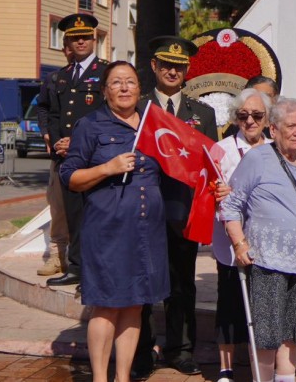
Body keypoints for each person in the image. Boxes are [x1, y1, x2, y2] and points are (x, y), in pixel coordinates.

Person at [58, 61, 168, 382]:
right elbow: (71, 177)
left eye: (130, 82)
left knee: (134, 305)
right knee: (106, 305)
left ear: (139, 89)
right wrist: (108, 167)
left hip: (147, 231)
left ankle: (122, 376)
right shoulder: (90, 125)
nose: (124, 88)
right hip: (107, 231)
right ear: (105, 91)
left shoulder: (152, 123)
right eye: (117, 83)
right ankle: (100, 378)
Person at [132, 36, 218, 380]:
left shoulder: (203, 114)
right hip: (143, 211)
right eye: (166, 64)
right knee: (143, 284)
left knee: (182, 284)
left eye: (179, 66)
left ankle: (180, 350)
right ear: (154, 66)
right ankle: (142, 351)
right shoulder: (138, 109)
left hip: (184, 212)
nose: (172, 71)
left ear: (187, 71)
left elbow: (211, 163)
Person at [221, 98, 296, 382]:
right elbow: (231, 205)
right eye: (292, 125)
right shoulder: (257, 158)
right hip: (268, 261)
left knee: (292, 332)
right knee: (267, 333)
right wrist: (239, 243)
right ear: (274, 129)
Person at [210, 88, 274, 382]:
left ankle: (260, 364)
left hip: (266, 242)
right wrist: (217, 193)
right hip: (230, 242)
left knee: (262, 303)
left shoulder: (276, 148)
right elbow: (205, 192)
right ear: (236, 118)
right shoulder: (220, 150)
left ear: (267, 118)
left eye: (257, 115)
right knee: (230, 302)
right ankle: (226, 367)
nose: (250, 121)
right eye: (244, 115)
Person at [47, 13, 110, 287]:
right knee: (73, 214)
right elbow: (51, 111)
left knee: (96, 216)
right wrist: (55, 138)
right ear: (68, 42)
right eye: (75, 37)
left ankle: (96, 271)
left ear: (93, 39)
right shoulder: (61, 76)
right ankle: (76, 267)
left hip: (95, 156)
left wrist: (78, 140)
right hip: (68, 158)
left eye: (85, 36)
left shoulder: (106, 72)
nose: (80, 41)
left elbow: (109, 112)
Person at [35, 43, 73, 277]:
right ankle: (58, 256)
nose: (76, 45)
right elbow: (43, 108)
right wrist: (46, 132)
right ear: (65, 49)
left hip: (89, 156)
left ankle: (83, 258)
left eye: (83, 39)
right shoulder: (54, 78)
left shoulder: (100, 74)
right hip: (59, 156)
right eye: (71, 42)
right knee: (58, 207)